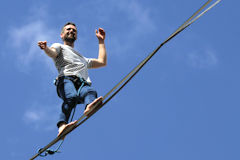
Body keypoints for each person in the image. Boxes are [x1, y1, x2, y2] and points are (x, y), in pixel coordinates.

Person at [37, 22, 107, 137]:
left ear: (76, 36)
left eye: (74, 30)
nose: (71, 31)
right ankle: (62, 126)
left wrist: (101, 41)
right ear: (62, 34)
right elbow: (53, 53)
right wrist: (46, 48)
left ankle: (89, 106)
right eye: (68, 29)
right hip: (66, 79)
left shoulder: (83, 59)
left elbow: (102, 62)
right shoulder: (59, 46)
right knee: (71, 97)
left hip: (82, 84)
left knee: (90, 92)